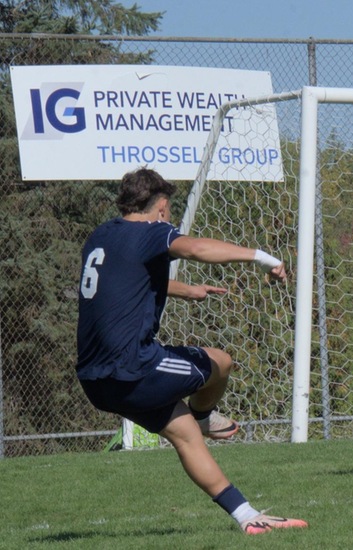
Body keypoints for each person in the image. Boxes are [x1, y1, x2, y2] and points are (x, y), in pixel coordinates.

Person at [75, 167, 307, 535]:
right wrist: (262, 257)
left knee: (183, 435)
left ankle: (248, 517)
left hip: (94, 380)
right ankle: (204, 414)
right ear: (162, 207)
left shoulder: (102, 236)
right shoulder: (152, 231)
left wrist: (187, 290)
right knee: (220, 361)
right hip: (133, 368)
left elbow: (125, 287)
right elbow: (197, 248)